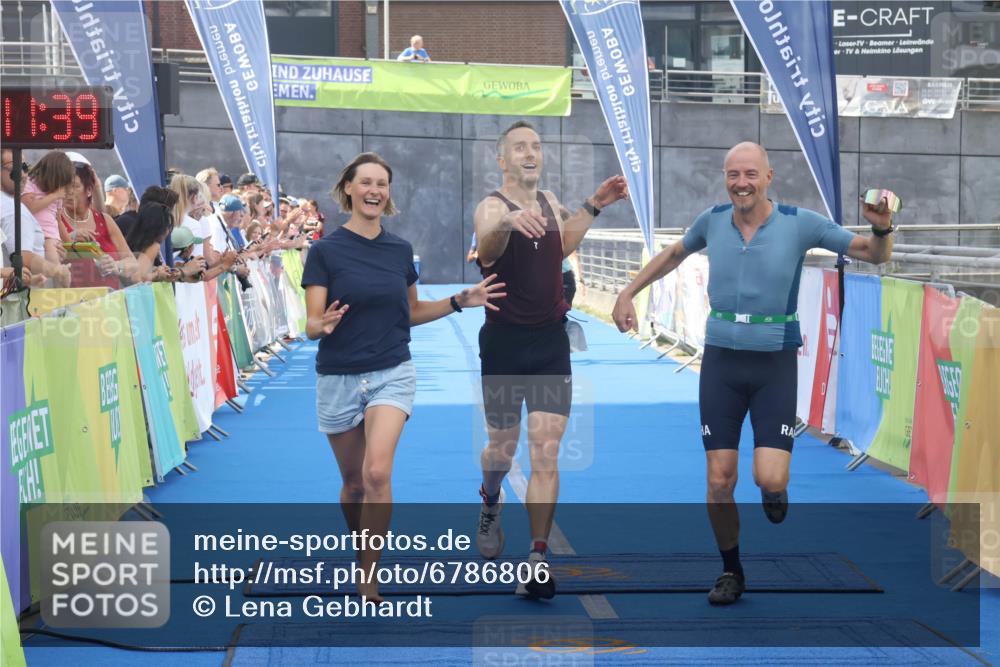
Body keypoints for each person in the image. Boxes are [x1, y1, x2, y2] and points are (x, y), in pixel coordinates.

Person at [611, 142, 895, 605]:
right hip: (721, 363)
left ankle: (774, 489)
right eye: (733, 175)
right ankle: (731, 571)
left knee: (770, 478)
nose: (741, 183)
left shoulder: (799, 223)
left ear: (769, 176)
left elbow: (872, 253)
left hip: (773, 364)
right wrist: (628, 292)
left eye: (750, 174)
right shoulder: (712, 220)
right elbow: (672, 255)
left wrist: (882, 227)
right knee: (719, 479)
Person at [301, 152, 505, 601]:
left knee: (377, 472)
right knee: (353, 483)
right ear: (349, 189)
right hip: (338, 376)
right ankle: (363, 551)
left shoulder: (398, 251)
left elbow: (410, 312)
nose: (375, 190)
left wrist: (458, 300)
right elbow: (311, 324)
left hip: (392, 370)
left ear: (388, 193)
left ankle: (368, 574)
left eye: (383, 183)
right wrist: (323, 324)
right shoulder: (324, 251)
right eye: (367, 182)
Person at [473, 121, 627, 599]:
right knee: (501, 449)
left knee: (545, 448)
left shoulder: (548, 200)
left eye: (536, 146)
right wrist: (505, 223)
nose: (529, 153)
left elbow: (563, 242)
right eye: (519, 147)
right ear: (502, 160)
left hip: (548, 344)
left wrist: (594, 205)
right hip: (502, 344)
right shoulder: (491, 205)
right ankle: (491, 498)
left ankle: (537, 557)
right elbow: (488, 245)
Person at [58, 159, 136, 286]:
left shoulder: (105, 220)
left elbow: (132, 262)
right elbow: (45, 257)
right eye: (64, 186)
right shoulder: (55, 219)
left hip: (108, 300)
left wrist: (116, 266)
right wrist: (69, 239)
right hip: (72, 300)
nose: (68, 191)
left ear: (89, 190)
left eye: (75, 186)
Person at [1, 149, 71, 287]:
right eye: (15, 167)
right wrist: (57, 271)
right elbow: (24, 257)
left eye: (25, 167)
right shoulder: (12, 210)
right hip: (19, 303)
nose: (23, 174)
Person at [21, 151, 75, 267]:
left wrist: (70, 245)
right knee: (46, 259)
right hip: (35, 234)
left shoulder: (57, 192)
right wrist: (54, 196)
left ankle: (59, 273)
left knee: (53, 255)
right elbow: (29, 208)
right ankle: (56, 272)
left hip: (52, 236)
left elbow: (59, 220)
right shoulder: (30, 184)